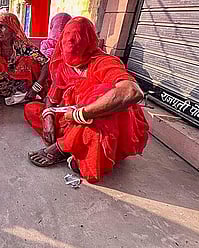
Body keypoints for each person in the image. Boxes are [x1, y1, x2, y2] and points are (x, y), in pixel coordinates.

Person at [25, 16, 149, 183]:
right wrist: (48, 117)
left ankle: (62, 148)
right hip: (73, 118)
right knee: (32, 109)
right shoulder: (62, 63)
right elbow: (52, 99)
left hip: (98, 120)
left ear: (88, 45)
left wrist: (79, 114)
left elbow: (132, 92)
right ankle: (72, 146)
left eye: (77, 53)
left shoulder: (103, 62)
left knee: (102, 97)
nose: (72, 62)